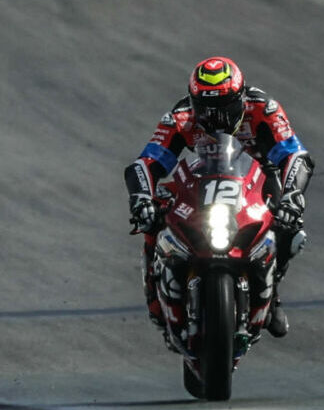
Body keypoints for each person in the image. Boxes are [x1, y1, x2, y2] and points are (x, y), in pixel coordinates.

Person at [124, 57, 312, 339]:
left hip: (256, 181)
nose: (217, 119)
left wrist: (292, 197)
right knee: (154, 215)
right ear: (193, 101)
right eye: (207, 110)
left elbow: (295, 155)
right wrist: (141, 200)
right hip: (199, 182)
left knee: (290, 227)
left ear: (241, 98)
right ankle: (155, 293)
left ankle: (272, 295)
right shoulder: (180, 117)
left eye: (225, 109)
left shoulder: (264, 108)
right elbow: (146, 162)